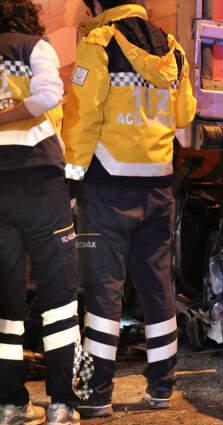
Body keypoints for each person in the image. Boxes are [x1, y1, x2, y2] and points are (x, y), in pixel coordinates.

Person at [62, 0, 196, 418]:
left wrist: (71, 175)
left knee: (104, 291)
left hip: (107, 188)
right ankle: (162, 386)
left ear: (99, 4)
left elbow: (83, 115)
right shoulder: (171, 49)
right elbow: (184, 113)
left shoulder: (99, 43)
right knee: (158, 289)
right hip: (158, 186)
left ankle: (96, 393)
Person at [0, 1, 85, 424]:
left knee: (6, 300)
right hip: (38, 180)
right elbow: (50, 95)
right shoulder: (35, 47)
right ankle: (62, 403)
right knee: (58, 295)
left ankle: (11, 404)